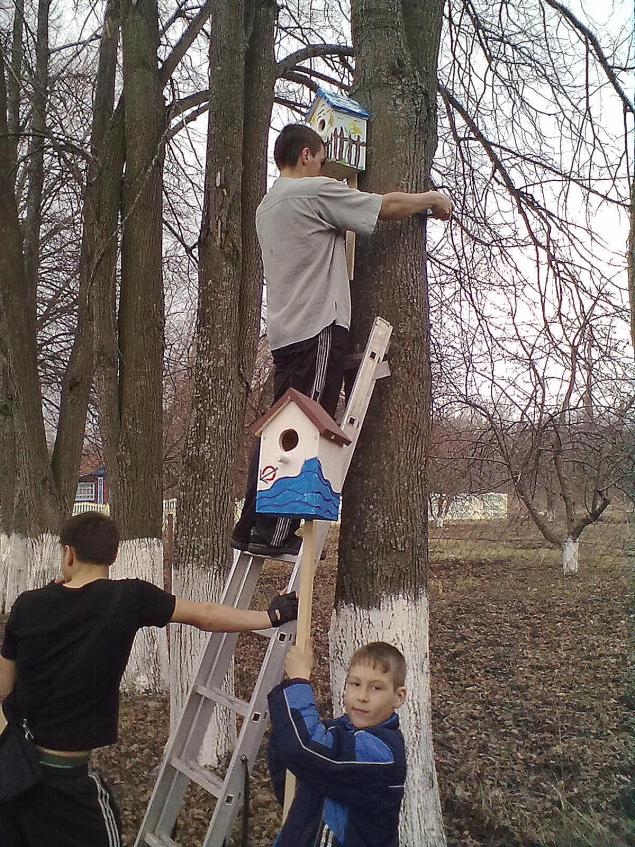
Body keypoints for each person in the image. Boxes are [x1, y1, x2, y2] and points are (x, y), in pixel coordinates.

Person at [0, 510, 297, 847]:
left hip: (14, 774)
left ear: (68, 553)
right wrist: (271, 616)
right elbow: (206, 615)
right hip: (68, 784)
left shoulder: (27, 605)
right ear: (112, 556)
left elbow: (3, 687)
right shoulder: (129, 598)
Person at [232, 122, 452, 558]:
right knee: (307, 431)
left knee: (281, 429)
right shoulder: (312, 192)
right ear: (307, 156)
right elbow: (384, 206)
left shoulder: (267, 206)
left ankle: (250, 526)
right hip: (317, 327)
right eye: (320, 156)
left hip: (285, 331)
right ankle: (274, 535)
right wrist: (429, 199)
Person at [267, 639, 407, 847]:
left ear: (398, 697)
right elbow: (293, 760)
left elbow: (305, 748)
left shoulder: (382, 754)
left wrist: (298, 679)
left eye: (376, 688)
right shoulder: (336, 732)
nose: (362, 697)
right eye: (355, 684)